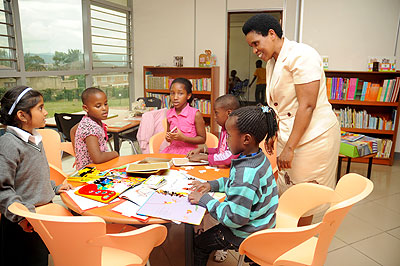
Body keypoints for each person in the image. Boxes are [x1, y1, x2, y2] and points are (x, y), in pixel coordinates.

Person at [243, 14, 340, 225]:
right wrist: (272, 134)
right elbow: (279, 107)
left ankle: (297, 241)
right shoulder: (272, 62)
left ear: (271, 34)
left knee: (305, 196)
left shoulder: (302, 55)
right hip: (291, 134)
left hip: (314, 137)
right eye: (251, 46)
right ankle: (288, 234)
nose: (254, 51)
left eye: (256, 43)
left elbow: (307, 105)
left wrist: (290, 147)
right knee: (288, 189)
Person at [188, 105, 279, 266]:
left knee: (200, 243)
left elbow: (234, 218)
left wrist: (205, 200)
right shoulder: (257, 157)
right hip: (264, 223)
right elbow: (235, 182)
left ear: (246, 139)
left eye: (229, 135)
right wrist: (211, 185)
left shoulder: (246, 173)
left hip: (246, 233)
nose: (226, 139)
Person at [0, 86, 73, 266]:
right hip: (21, 223)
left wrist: (54, 188)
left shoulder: (33, 138)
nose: (45, 112)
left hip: (39, 216)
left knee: (41, 258)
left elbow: (31, 177)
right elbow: (3, 189)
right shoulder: (9, 144)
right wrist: (22, 217)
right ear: (22, 116)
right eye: (40, 108)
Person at [187, 94, 240, 167]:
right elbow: (220, 151)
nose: (215, 117)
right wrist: (202, 150)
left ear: (229, 113)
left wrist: (204, 157)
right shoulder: (224, 129)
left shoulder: (236, 132)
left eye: (216, 113)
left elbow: (228, 158)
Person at [74, 87, 119, 170]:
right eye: (98, 106)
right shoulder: (90, 128)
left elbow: (73, 130)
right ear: (86, 108)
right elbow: (97, 158)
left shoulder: (89, 120)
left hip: (98, 168)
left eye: (105, 104)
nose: (104, 109)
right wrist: (115, 153)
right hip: (90, 174)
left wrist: (78, 154)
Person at [161, 78, 206, 154]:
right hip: (172, 152)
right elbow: (169, 136)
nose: (175, 97)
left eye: (180, 93)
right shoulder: (169, 113)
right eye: (172, 93)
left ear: (188, 96)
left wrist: (183, 138)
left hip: (190, 153)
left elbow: (202, 139)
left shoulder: (195, 114)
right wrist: (168, 137)